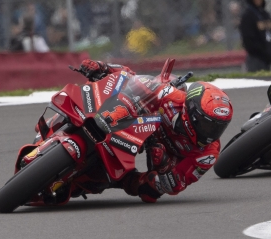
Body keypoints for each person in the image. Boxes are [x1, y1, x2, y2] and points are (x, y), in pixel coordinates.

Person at [75, 59, 234, 203]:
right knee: (124, 93)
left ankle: (114, 179)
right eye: (207, 125)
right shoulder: (172, 97)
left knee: (149, 192)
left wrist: (164, 167)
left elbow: (178, 183)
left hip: (164, 156)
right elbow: (133, 78)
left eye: (219, 127)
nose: (211, 133)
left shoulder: (209, 153)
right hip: (136, 124)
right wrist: (104, 68)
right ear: (190, 111)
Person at [239, 0, 271, 72]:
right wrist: (262, 51)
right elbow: (248, 40)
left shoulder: (265, 15)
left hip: (268, 58)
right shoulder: (248, 16)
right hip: (256, 58)